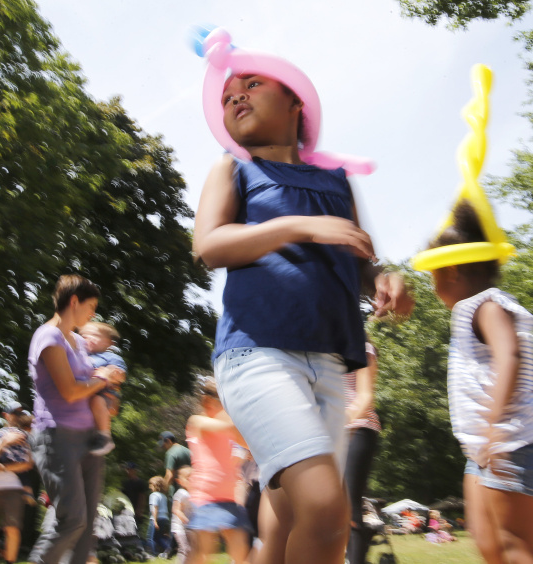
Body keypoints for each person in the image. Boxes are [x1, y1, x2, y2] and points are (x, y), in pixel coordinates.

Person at [191, 28, 413, 564]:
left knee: (289, 510)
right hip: (256, 354)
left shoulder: (336, 181)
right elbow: (209, 245)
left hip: (331, 364)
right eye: (226, 96)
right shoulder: (234, 169)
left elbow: (360, 257)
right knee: (326, 509)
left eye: (250, 83)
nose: (234, 96)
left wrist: (384, 279)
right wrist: (303, 226)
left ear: (295, 101)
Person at [424, 200, 533, 563]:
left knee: (513, 545)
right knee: (486, 540)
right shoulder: (473, 310)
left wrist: (495, 427)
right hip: (489, 448)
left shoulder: (486, 306)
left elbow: (511, 358)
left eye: (433, 276)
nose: (432, 286)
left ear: (451, 271)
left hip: (508, 438)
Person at [26, 274, 123, 564]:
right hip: (56, 437)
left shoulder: (79, 342)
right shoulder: (48, 336)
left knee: (85, 528)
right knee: (72, 519)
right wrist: (102, 378)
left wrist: (109, 388)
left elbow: (94, 385)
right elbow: (69, 391)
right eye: (91, 306)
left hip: (89, 439)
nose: (94, 313)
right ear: (74, 301)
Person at [185, 379, 251, 564]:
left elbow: (246, 444)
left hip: (229, 498)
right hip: (205, 497)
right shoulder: (197, 421)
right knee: (203, 552)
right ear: (207, 401)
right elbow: (229, 427)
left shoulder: (228, 426)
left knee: (240, 547)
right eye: (223, 401)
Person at [0, 404, 34, 564]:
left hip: (15, 489)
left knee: (12, 529)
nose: (18, 416)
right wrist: (5, 442)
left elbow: (29, 464)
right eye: (15, 413)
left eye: (21, 413)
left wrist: (3, 467)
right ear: (6, 415)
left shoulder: (27, 436)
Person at [344, 342, 381, 564]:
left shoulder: (362, 347)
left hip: (357, 428)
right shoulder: (322, 349)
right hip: (328, 433)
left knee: (348, 504)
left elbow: (365, 396)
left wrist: (339, 424)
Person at [79, 322, 128, 456]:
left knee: (97, 400)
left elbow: (120, 375)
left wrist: (111, 373)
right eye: (84, 335)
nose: (88, 337)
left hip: (103, 394)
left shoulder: (110, 357)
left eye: (94, 335)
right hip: (84, 394)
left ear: (108, 343)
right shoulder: (79, 356)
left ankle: (105, 436)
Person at [171, 466, 195, 564]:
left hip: (189, 528)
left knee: (192, 550)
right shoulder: (181, 493)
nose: (192, 480)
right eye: (188, 478)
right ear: (179, 481)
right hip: (179, 528)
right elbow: (175, 509)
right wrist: (185, 519)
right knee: (185, 549)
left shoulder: (193, 494)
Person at [160, 431, 192, 495]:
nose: (164, 447)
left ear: (168, 441)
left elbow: (169, 475)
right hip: (191, 491)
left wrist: (162, 491)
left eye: (164, 445)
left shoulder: (171, 453)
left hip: (177, 493)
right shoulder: (188, 451)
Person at [120, 462, 149, 531]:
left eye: (130, 469)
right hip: (127, 510)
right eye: (127, 469)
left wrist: (140, 510)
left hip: (136, 509)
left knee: (136, 528)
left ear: (135, 470)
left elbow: (142, 496)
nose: (128, 471)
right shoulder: (125, 483)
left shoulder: (140, 483)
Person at [147, 476, 171, 556]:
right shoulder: (163, 496)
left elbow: (155, 507)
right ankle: (168, 549)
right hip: (164, 518)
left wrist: (154, 520)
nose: (149, 487)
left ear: (155, 485)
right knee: (158, 537)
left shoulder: (153, 495)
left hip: (156, 518)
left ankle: (152, 554)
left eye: (151, 484)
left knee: (150, 538)